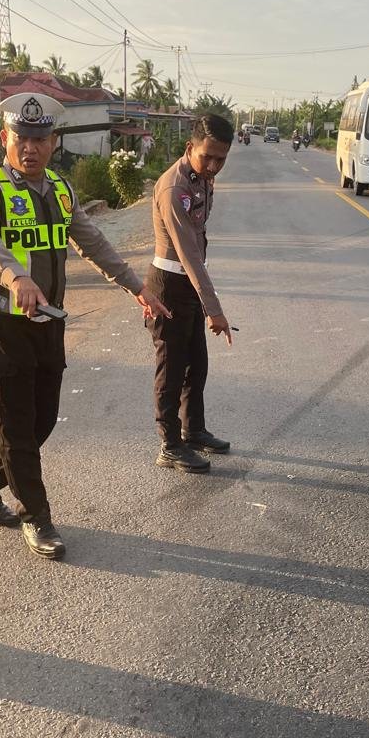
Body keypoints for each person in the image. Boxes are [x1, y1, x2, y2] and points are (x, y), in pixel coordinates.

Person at [0, 93, 170, 559]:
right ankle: (37, 517)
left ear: (53, 142)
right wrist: (16, 277)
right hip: (2, 323)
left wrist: (136, 286)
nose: (29, 147)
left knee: (42, 421)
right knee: (16, 427)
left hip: (48, 321)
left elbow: (92, 240)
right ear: (5, 139)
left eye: (39, 139)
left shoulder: (59, 189)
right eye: (21, 138)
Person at [147, 113, 235, 474]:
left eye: (221, 158)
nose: (213, 165)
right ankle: (169, 445)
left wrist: (203, 301)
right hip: (169, 285)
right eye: (207, 156)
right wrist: (214, 308)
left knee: (196, 364)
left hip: (188, 284)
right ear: (189, 147)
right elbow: (187, 252)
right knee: (171, 367)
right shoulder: (175, 188)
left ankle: (193, 430)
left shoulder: (202, 180)